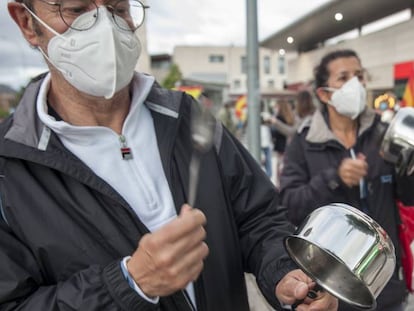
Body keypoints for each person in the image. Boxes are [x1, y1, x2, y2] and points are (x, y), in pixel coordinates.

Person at [1, 1, 338, 310]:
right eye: (76, 9)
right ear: (27, 24)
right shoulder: (11, 166)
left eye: (117, 8)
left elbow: (258, 217)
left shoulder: (186, 117)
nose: (104, 27)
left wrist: (284, 272)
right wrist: (130, 283)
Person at [280, 49, 414, 311]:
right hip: (329, 290)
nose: (356, 84)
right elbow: (290, 205)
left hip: (384, 287)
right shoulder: (304, 142)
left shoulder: (383, 133)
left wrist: (409, 166)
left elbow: (409, 197)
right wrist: (334, 178)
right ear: (324, 93)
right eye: (344, 77)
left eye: (359, 76)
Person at [271, 100, 295, 184]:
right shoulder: (290, 117)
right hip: (289, 146)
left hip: (281, 147)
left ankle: (280, 186)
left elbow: (274, 133)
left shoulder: (278, 118)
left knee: (280, 168)